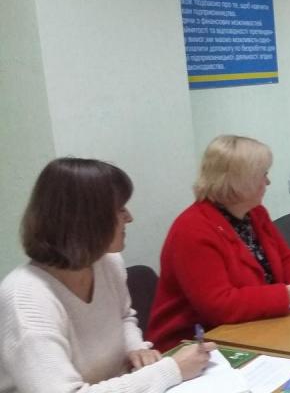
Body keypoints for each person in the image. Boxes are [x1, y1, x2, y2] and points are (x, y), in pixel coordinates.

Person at [0, 158, 214, 392]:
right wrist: (171, 370)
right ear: (85, 220)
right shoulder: (26, 300)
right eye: (120, 209)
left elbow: (124, 317)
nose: (129, 217)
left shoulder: (108, 262)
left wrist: (135, 348)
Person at [146, 135, 290, 352]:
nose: (268, 182)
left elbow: (284, 259)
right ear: (241, 182)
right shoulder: (192, 230)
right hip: (195, 344)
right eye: (263, 175)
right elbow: (219, 305)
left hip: (251, 328)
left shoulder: (254, 214)